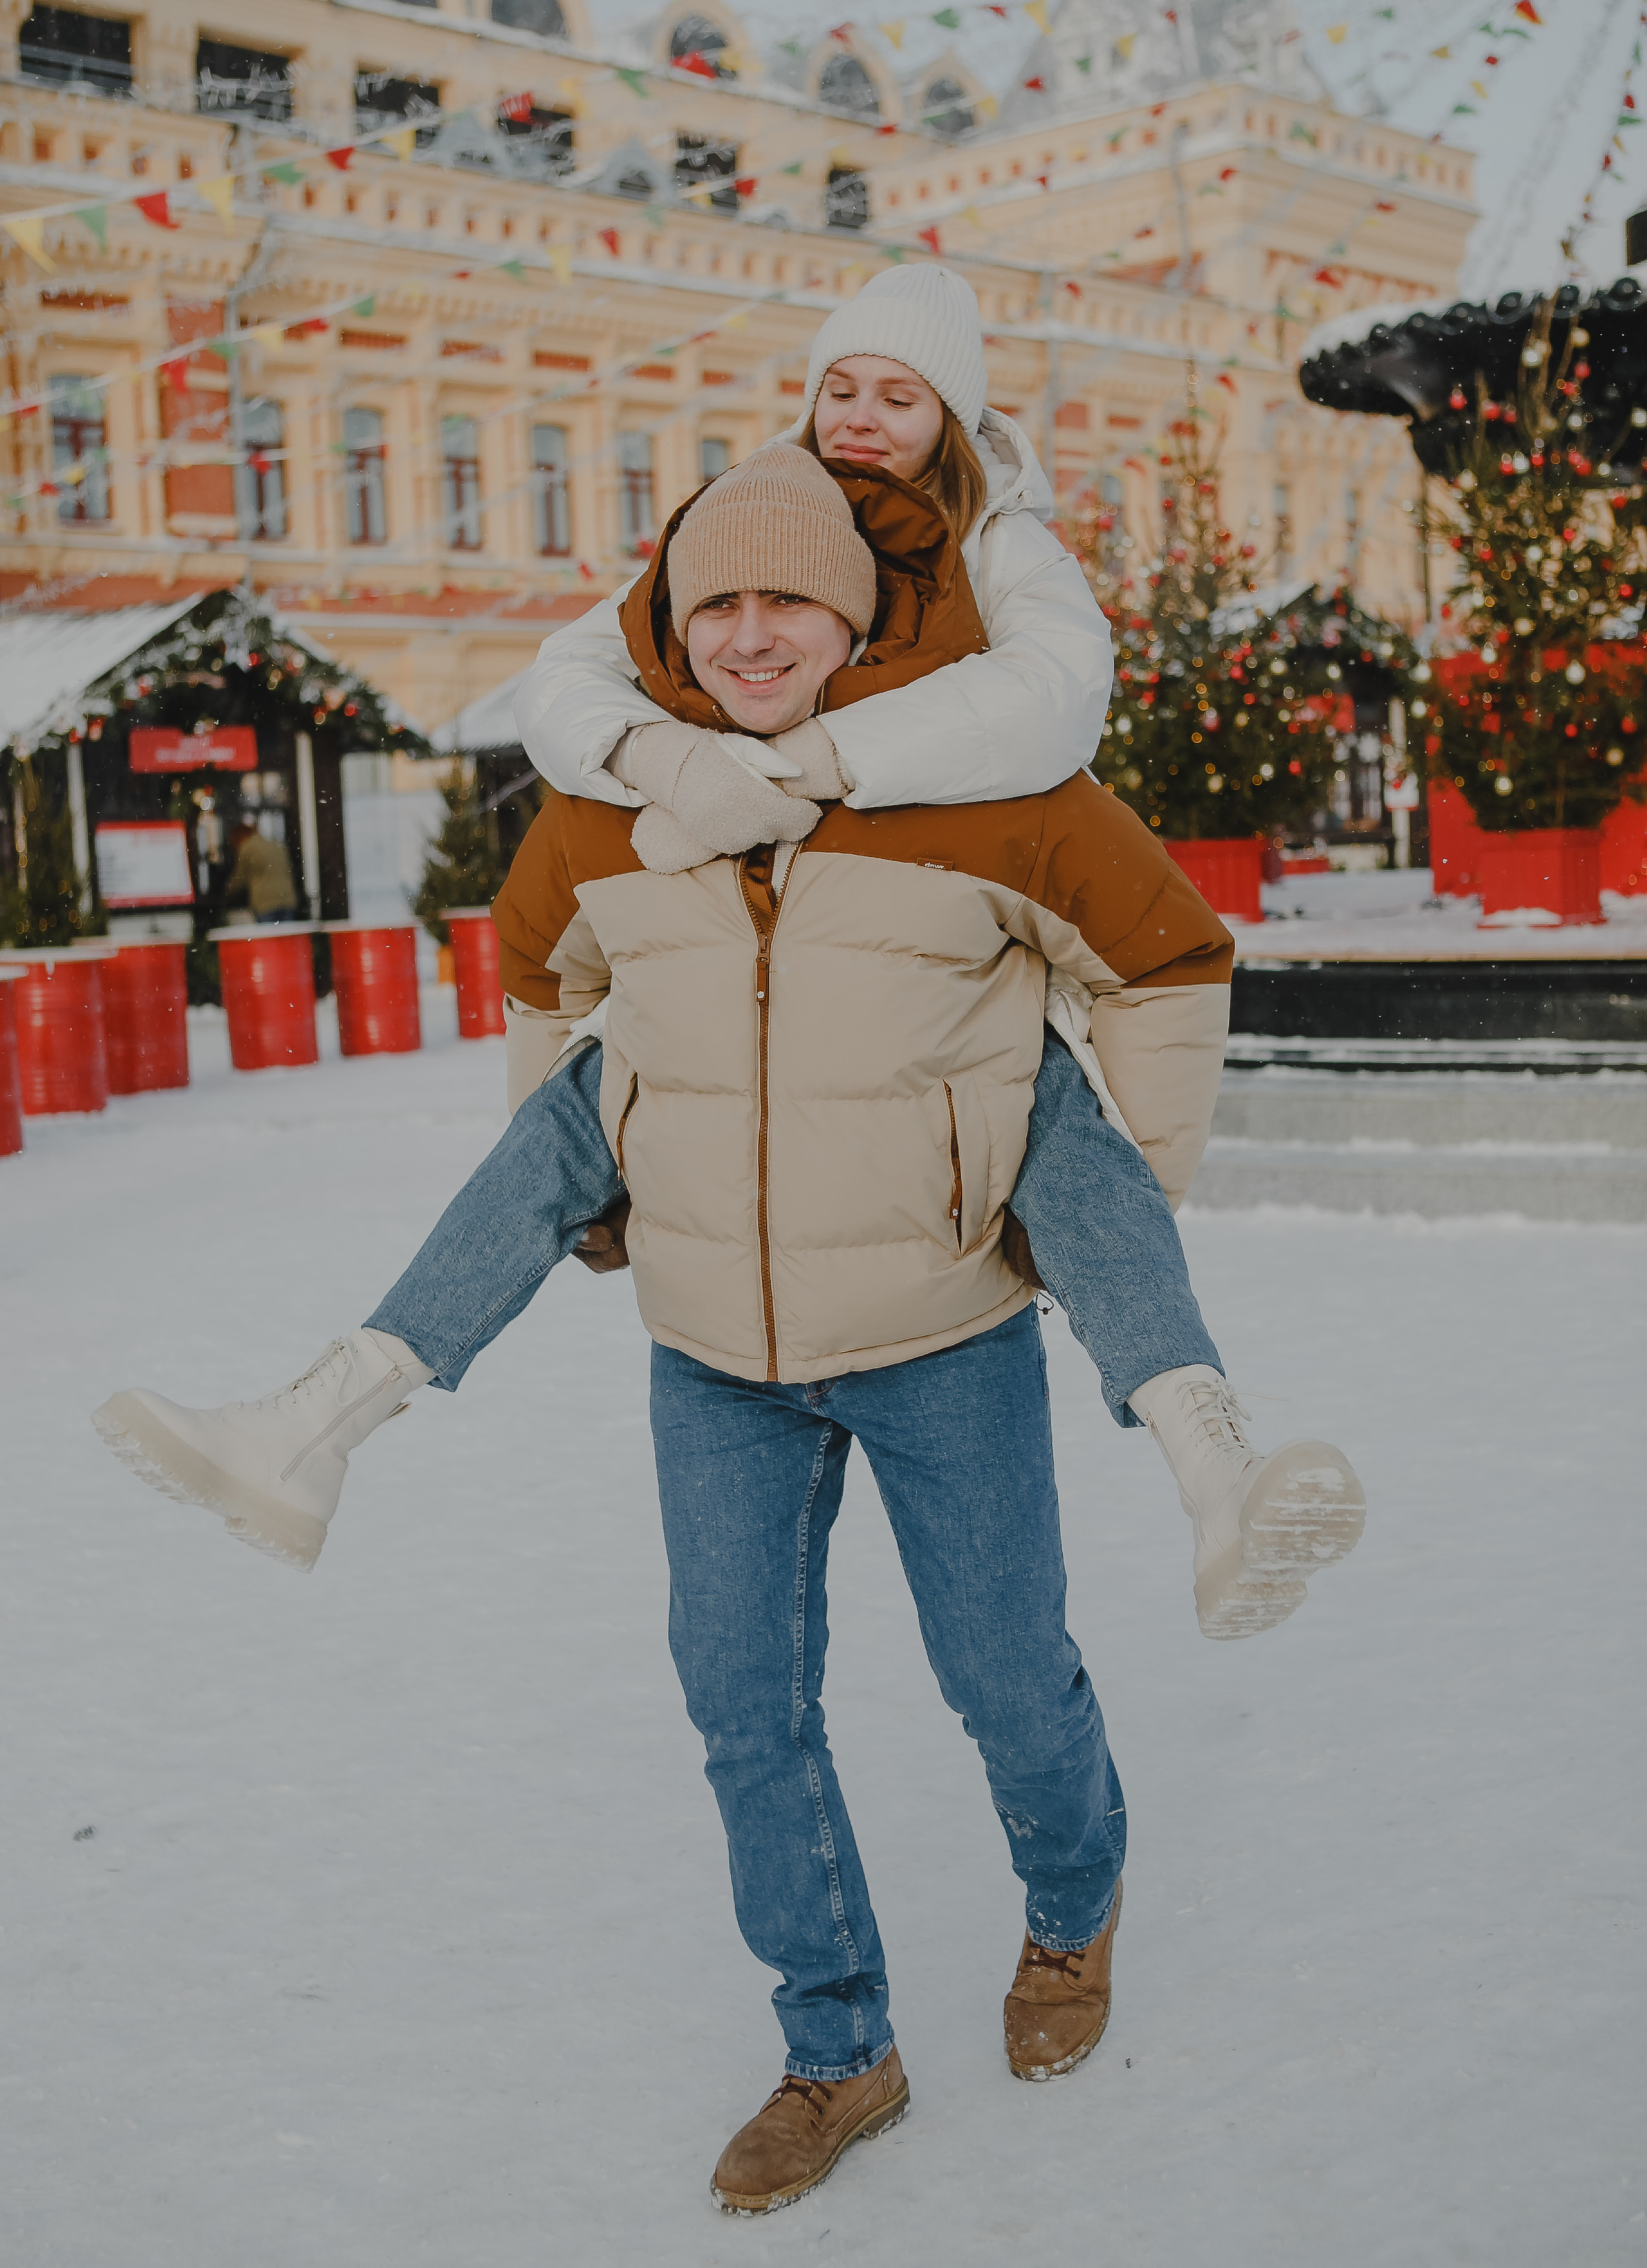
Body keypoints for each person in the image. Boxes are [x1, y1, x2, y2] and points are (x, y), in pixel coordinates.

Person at [93, 266, 1363, 1649]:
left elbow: (1056, 702)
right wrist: (667, 757)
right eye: (840, 386)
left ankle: (1216, 1474)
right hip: (734, 897)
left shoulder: (1001, 544)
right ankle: (313, 1423)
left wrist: (823, 757)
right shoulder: (753, 506)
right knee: (594, 1099)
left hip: (942, 897)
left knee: (1043, 1115)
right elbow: (576, 682)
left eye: (899, 394)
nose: (861, 416)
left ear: (955, 418)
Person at [225, 818, 299, 923]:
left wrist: (227, 890)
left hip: (265, 903)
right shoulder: (276, 845)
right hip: (288, 899)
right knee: (285, 937)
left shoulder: (247, 848)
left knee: (268, 937)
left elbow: (239, 879)